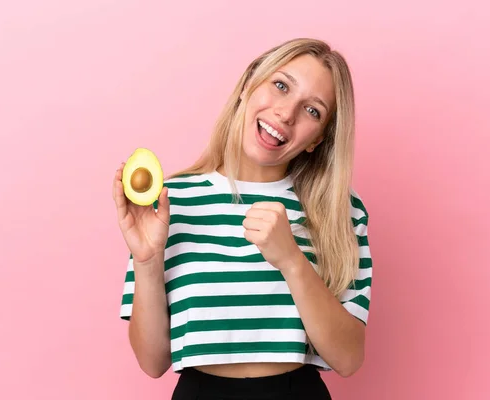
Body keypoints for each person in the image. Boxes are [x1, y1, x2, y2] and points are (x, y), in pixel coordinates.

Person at [112, 37, 373, 400]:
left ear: (318, 139)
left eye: (312, 110)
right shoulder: (171, 201)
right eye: (280, 86)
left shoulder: (339, 210)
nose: (286, 114)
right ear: (249, 84)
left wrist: (292, 261)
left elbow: (348, 358)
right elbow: (152, 362)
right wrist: (147, 259)